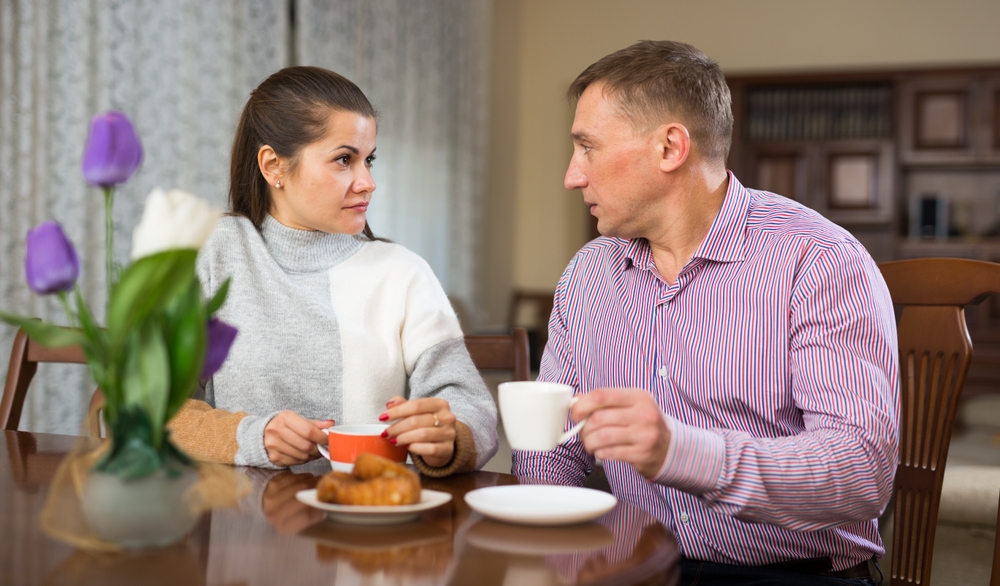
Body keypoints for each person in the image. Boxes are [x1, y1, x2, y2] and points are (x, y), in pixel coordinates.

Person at [511, 41, 898, 585]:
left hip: (794, 574)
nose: (572, 176)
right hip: (628, 565)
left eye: (588, 148)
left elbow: (860, 474)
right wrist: (538, 540)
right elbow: (552, 450)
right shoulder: (589, 273)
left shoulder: (819, 262)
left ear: (671, 147)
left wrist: (681, 451)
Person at [168, 66, 498, 477]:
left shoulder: (403, 272)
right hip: (243, 531)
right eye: (344, 160)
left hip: (373, 527)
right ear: (273, 166)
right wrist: (251, 435)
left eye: (369, 160)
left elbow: (475, 412)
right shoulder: (212, 251)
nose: (368, 182)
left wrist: (448, 439)